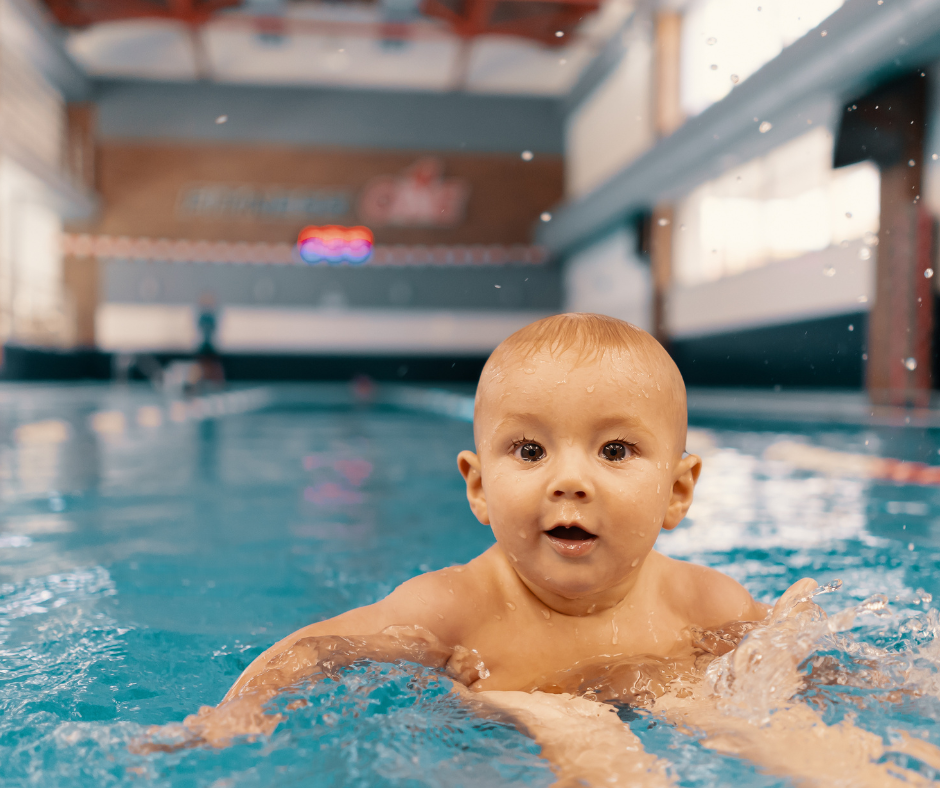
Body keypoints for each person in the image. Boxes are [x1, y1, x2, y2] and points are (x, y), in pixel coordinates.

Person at [141, 313, 938, 786]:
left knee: (800, 742)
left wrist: (883, 677)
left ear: (679, 492)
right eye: (529, 452)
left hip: (674, 694)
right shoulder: (455, 607)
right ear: (478, 486)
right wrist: (234, 710)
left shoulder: (701, 601)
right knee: (577, 731)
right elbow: (317, 648)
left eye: (616, 452)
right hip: (507, 727)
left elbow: (793, 664)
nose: (571, 482)